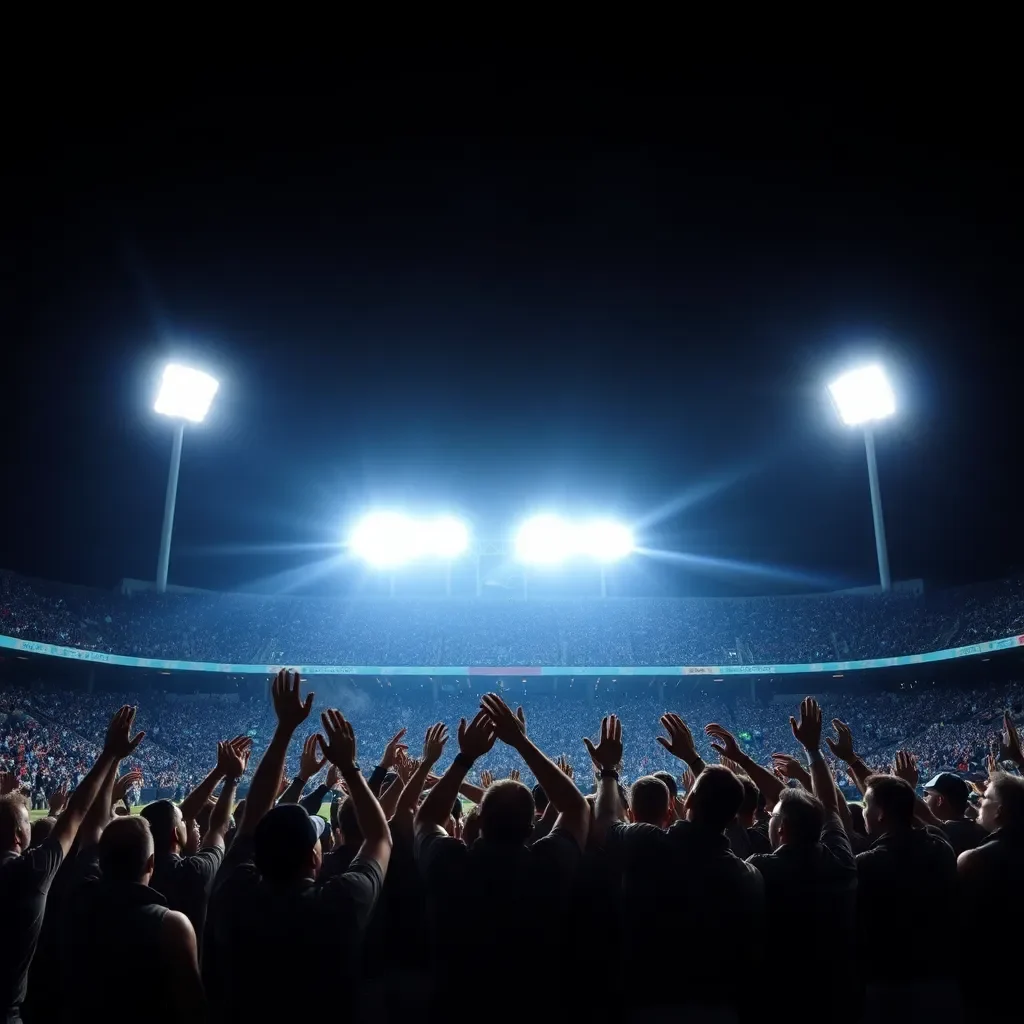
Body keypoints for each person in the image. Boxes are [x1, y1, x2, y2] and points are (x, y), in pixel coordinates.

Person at [205, 670, 391, 1023]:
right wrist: (351, 768)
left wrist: (284, 729)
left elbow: (252, 814)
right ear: (312, 856)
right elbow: (380, 838)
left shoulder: (234, 892)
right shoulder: (341, 902)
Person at [414, 694, 589, 1011]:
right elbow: (576, 806)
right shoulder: (549, 864)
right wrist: (521, 742)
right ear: (530, 826)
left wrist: (464, 758)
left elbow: (425, 818)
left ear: (478, 820)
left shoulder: (448, 861)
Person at [592, 712, 764, 1022]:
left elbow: (606, 823)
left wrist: (608, 771)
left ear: (688, 801)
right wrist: (695, 761)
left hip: (649, 1003)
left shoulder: (650, 842)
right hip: (720, 1007)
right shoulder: (748, 875)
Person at [0, 707, 144, 1024]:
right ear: (16, 835)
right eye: (24, 824)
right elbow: (77, 812)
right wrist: (110, 754)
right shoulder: (31, 871)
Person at [747, 699, 858, 1022]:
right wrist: (812, 751)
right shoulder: (840, 859)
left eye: (773, 814)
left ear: (781, 829)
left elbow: (826, 806)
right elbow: (829, 805)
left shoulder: (762, 868)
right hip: (838, 992)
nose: (768, 814)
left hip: (780, 994)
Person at [64, 801, 205, 1020]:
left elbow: (92, 827)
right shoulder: (172, 925)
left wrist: (108, 766)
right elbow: (193, 1008)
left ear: (101, 860)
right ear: (151, 864)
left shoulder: (78, 897)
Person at [140, 737, 250, 946]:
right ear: (175, 834)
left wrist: (219, 772)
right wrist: (232, 779)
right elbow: (218, 826)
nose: (188, 820)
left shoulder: (140, 870)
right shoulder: (195, 870)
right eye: (183, 822)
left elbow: (180, 814)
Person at [957, 772, 1024, 1022]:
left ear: (1000, 811)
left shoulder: (975, 860)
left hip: (986, 983)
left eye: (984, 797)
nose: (978, 803)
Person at [922, 771, 988, 855]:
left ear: (939, 800)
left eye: (926, 794)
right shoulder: (978, 829)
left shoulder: (940, 835)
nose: (924, 799)